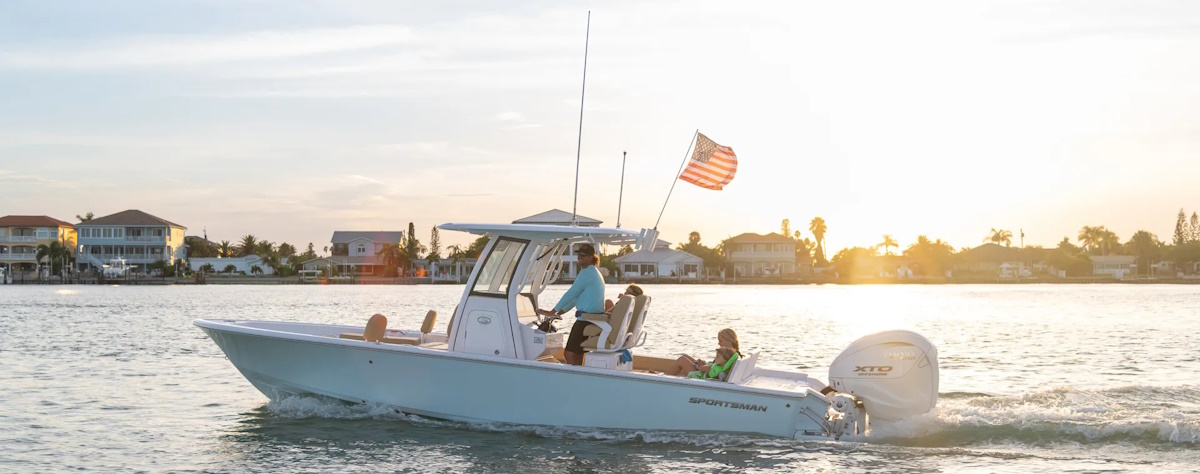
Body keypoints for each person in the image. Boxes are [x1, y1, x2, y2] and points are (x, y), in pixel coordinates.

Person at [536, 243, 605, 366]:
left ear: (592, 257)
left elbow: (571, 293)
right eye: (579, 254)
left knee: (569, 353)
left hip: (585, 320)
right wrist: (558, 313)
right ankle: (580, 375)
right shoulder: (593, 272)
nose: (580, 256)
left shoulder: (587, 273)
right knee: (578, 353)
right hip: (592, 319)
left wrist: (551, 312)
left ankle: (576, 377)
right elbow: (575, 299)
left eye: (584, 254)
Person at [666, 328, 742, 376]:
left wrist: (701, 367)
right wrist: (704, 364)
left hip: (704, 376)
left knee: (682, 360)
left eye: (721, 341)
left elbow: (714, 370)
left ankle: (664, 380)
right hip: (706, 371)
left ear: (729, 340)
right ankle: (668, 376)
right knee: (685, 356)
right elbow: (717, 366)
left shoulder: (727, 355)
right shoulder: (733, 354)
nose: (719, 344)